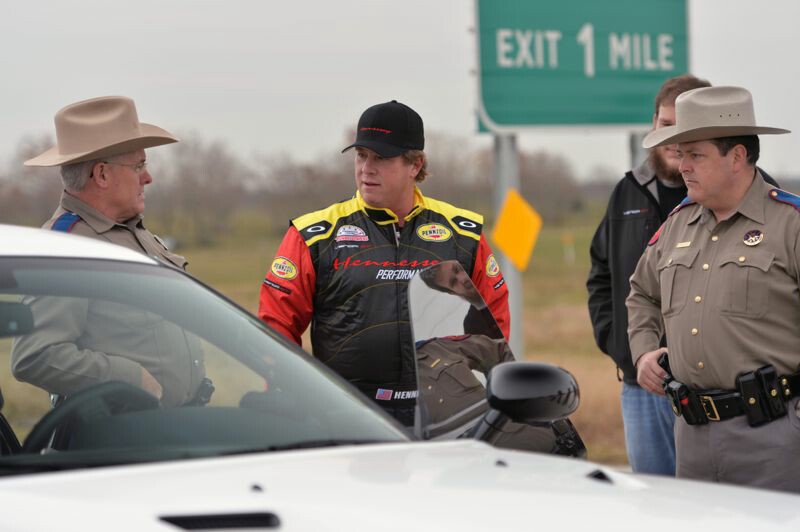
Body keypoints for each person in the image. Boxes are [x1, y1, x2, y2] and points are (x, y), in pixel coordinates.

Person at [258, 100, 509, 426]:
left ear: (415, 165)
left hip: (446, 418)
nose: (366, 168)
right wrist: (290, 395)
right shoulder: (315, 234)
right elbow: (276, 325)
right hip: (346, 418)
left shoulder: (463, 232)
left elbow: (494, 325)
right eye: (361, 155)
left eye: (381, 157)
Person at [626, 85, 800, 492]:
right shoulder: (677, 225)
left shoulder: (789, 223)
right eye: (680, 153)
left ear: (737, 156)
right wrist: (643, 351)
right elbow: (641, 293)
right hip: (691, 436)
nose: (682, 166)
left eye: (695, 154)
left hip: (775, 436)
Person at [11, 96, 206, 407]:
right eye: (139, 165)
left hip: (175, 429)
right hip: (124, 439)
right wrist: (130, 379)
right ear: (101, 175)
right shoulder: (66, 247)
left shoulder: (134, 232)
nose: (148, 177)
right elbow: (35, 355)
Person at [587, 74, 710, 475]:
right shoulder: (627, 192)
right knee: (655, 506)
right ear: (653, 124)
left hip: (713, 390)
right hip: (641, 389)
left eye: (684, 124)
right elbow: (602, 275)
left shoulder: (732, 194)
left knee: (715, 507)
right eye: (665, 123)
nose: (674, 137)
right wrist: (619, 343)